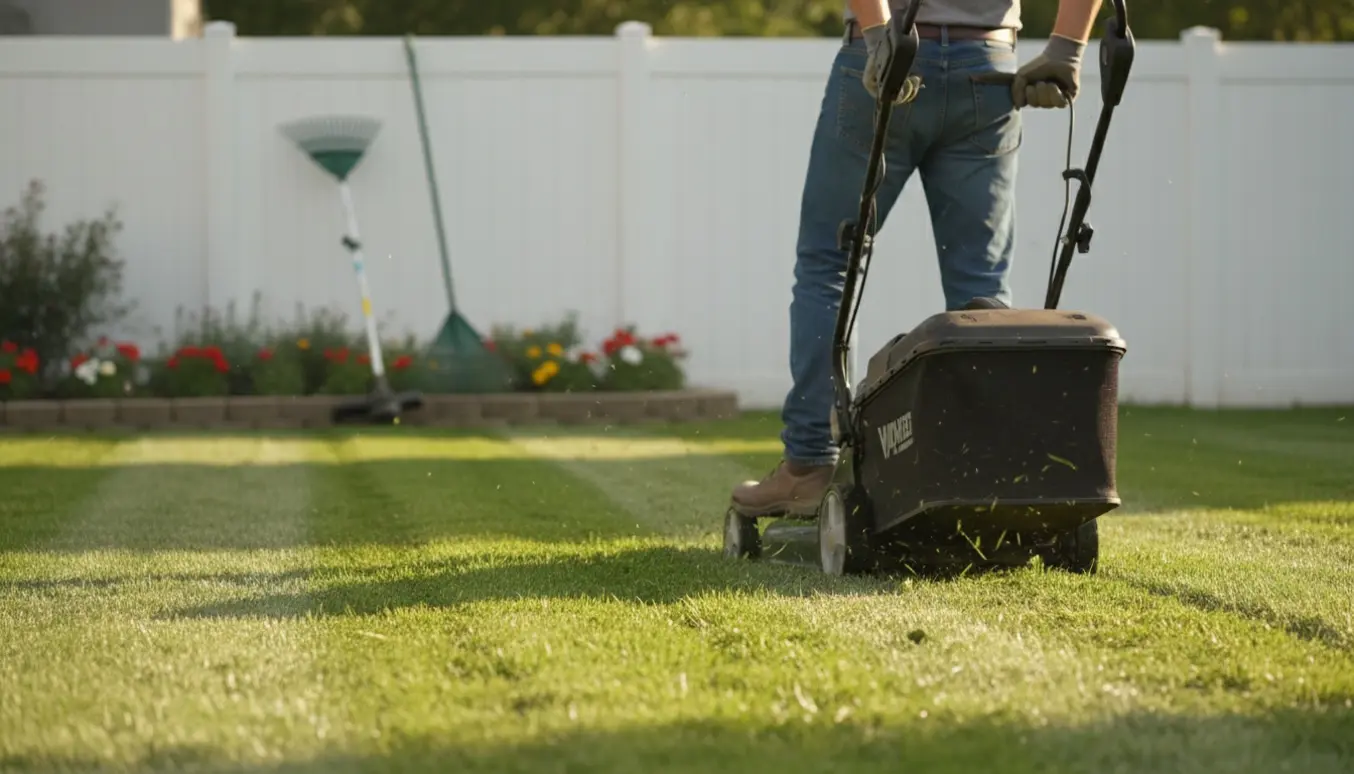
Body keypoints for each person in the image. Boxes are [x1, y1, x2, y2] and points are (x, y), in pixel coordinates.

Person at [729, 0, 1103, 516]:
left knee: (831, 265)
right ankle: (984, 470)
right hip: (985, 68)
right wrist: (1067, 47)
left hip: (888, 54)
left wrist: (879, 35)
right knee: (981, 286)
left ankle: (809, 468)